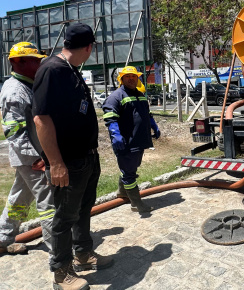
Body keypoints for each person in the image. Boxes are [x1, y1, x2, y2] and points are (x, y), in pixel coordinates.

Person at [33, 23, 113, 290]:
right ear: (89, 47)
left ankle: (83, 253)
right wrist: (55, 163)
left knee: (82, 211)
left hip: (86, 157)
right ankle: (61, 272)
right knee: (64, 217)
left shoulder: (71, 71)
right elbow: (41, 119)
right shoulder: (52, 70)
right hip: (68, 162)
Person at [0, 42, 54, 256]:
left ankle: (3, 238)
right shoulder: (15, 91)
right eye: (34, 59)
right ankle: (59, 254)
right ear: (17, 62)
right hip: (32, 160)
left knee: (20, 198)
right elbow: (14, 132)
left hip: (33, 158)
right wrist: (35, 159)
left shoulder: (30, 85)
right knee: (50, 202)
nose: (40, 62)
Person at [102, 66, 160, 213]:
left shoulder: (140, 95)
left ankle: (122, 192)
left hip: (139, 141)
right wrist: (116, 135)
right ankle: (136, 203)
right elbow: (110, 117)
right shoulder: (116, 96)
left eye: (134, 76)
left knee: (131, 168)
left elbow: (147, 114)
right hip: (125, 143)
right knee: (129, 173)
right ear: (121, 79)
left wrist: (154, 126)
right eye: (127, 76)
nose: (131, 79)